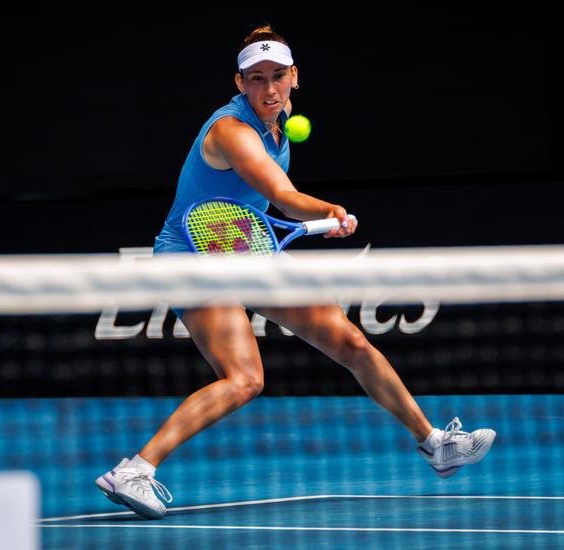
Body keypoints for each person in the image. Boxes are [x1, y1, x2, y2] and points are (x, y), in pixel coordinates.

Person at [95, 24, 496, 520]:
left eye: (277, 77)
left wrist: (315, 215)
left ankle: (437, 445)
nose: (268, 89)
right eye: (256, 79)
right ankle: (135, 470)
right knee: (244, 379)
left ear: (294, 77)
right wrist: (326, 209)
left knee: (350, 342)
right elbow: (283, 196)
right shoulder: (231, 132)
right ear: (239, 83)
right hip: (191, 255)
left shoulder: (279, 124)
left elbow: (268, 200)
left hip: (242, 246)